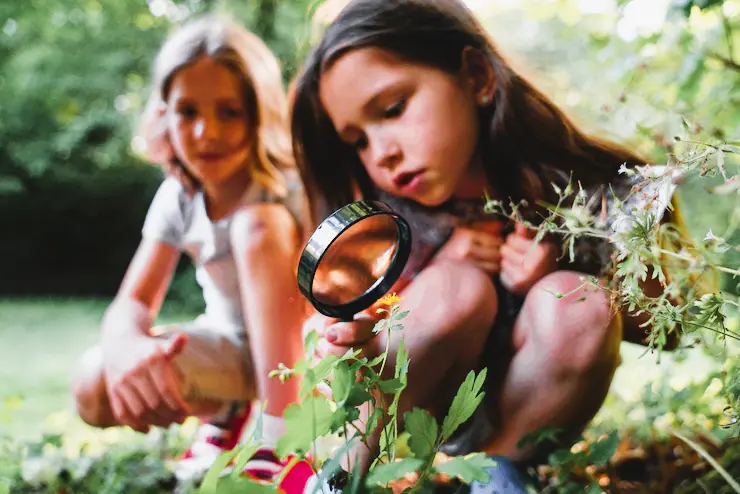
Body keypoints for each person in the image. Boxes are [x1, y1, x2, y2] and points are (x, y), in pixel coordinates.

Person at [289, 0, 685, 490]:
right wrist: (385, 315)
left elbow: (668, 328)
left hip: (532, 405)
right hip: (425, 406)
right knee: (456, 287)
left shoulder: (588, 191)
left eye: (393, 110)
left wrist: (563, 267)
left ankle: (497, 475)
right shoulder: (381, 221)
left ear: (476, 77)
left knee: (578, 301)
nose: (382, 153)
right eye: (358, 142)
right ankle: (339, 478)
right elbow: (347, 334)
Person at [70, 14, 312, 484]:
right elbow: (133, 301)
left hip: (301, 363)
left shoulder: (291, 188)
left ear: (259, 112)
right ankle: (229, 414)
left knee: (255, 227)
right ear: (164, 113)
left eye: (228, 111)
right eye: (188, 112)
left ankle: (283, 440)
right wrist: (126, 349)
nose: (205, 132)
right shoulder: (179, 197)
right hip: (229, 351)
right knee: (93, 381)